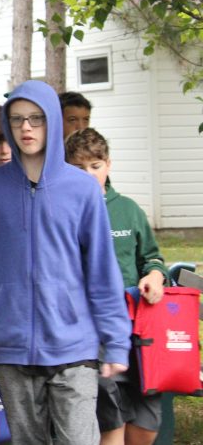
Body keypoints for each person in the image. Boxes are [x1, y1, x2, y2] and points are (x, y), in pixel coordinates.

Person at [0, 80, 130, 445]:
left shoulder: (82, 189)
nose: (26, 128)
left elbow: (102, 270)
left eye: (36, 119)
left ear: (52, 121)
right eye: (18, 119)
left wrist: (117, 341)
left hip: (75, 345)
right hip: (11, 344)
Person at [65, 128, 167, 445]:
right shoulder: (63, 210)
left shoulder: (128, 210)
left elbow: (151, 258)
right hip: (90, 330)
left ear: (108, 164)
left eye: (95, 166)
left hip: (138, 327)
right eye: (79, 168)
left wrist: (154, 277)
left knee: (147, 423)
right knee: (109, 417)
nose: (88, 174)